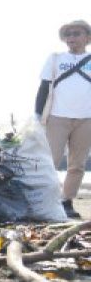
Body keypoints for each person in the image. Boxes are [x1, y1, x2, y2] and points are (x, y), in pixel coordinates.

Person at [36, 19, 91, 219]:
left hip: (86, 119)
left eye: (76, 33)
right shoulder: (55, 58)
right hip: (57, 117)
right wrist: (37, 114)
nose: (71, 38)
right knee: (50, 161)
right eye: (68, 35)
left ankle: (66, 202)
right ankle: (45, 201)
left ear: (88, 37)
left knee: (77, 164)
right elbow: (43, 87)